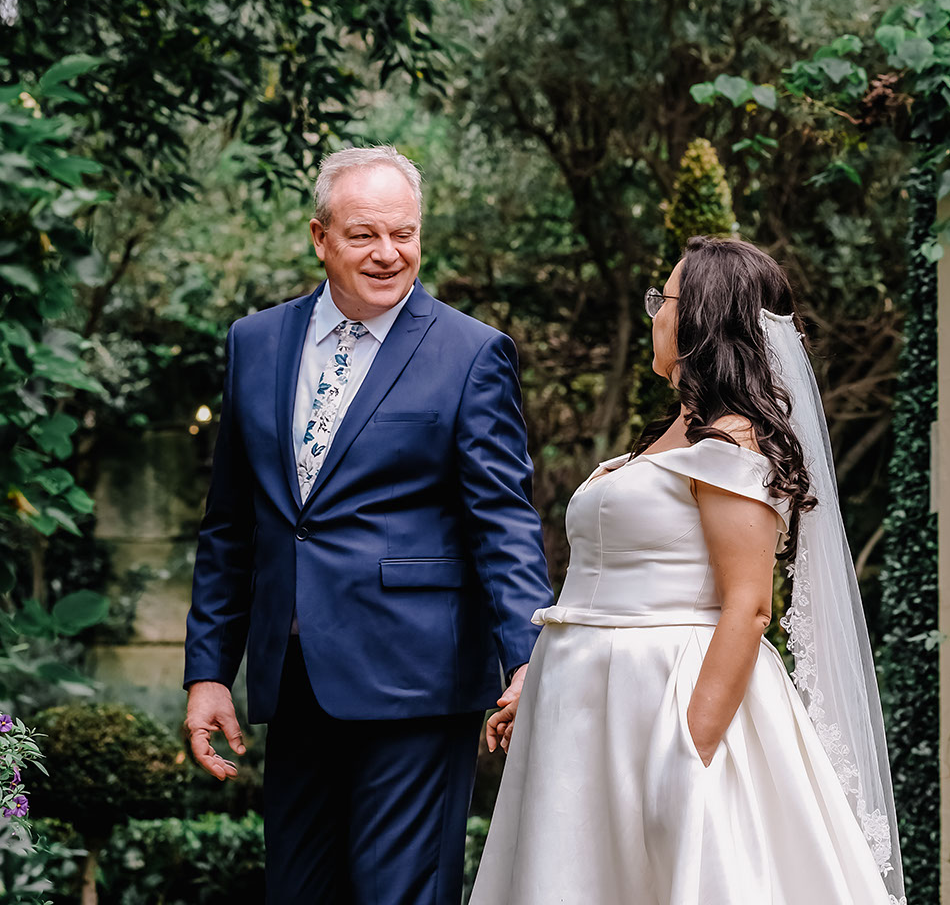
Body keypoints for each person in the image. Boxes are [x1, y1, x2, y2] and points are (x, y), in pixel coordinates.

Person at [470, 233, 905, 905]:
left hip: (668, 698)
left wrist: (688, 750)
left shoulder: (734, 442)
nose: (655, 315)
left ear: (702, 317)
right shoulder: (677, 429)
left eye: (664, 300)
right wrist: (545, 677)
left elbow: (748, 607)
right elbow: (604, 583)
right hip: (584, 705)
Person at [182, 145, 551, 905]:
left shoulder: (472, 353)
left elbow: (504, 521)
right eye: (364, 235)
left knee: (398, 895)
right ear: (320, 238)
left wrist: (528, 658)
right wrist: (209, 670)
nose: (389, 253)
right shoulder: (255, 343)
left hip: (419, 678)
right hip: (295, 678)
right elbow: (231, 524)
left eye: (404, 233)